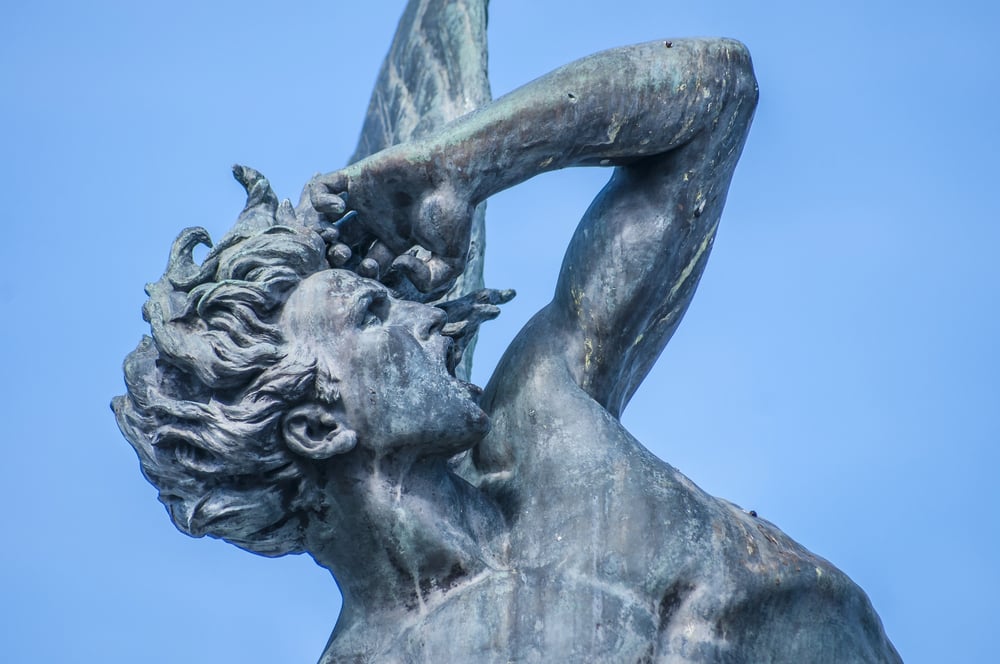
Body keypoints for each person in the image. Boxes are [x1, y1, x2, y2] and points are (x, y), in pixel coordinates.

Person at [116, 38, 900, 662]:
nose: (427, 316)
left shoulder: (544, 419)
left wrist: (460, 164)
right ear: (319, 427)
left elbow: (718, 94)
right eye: (373, 312)